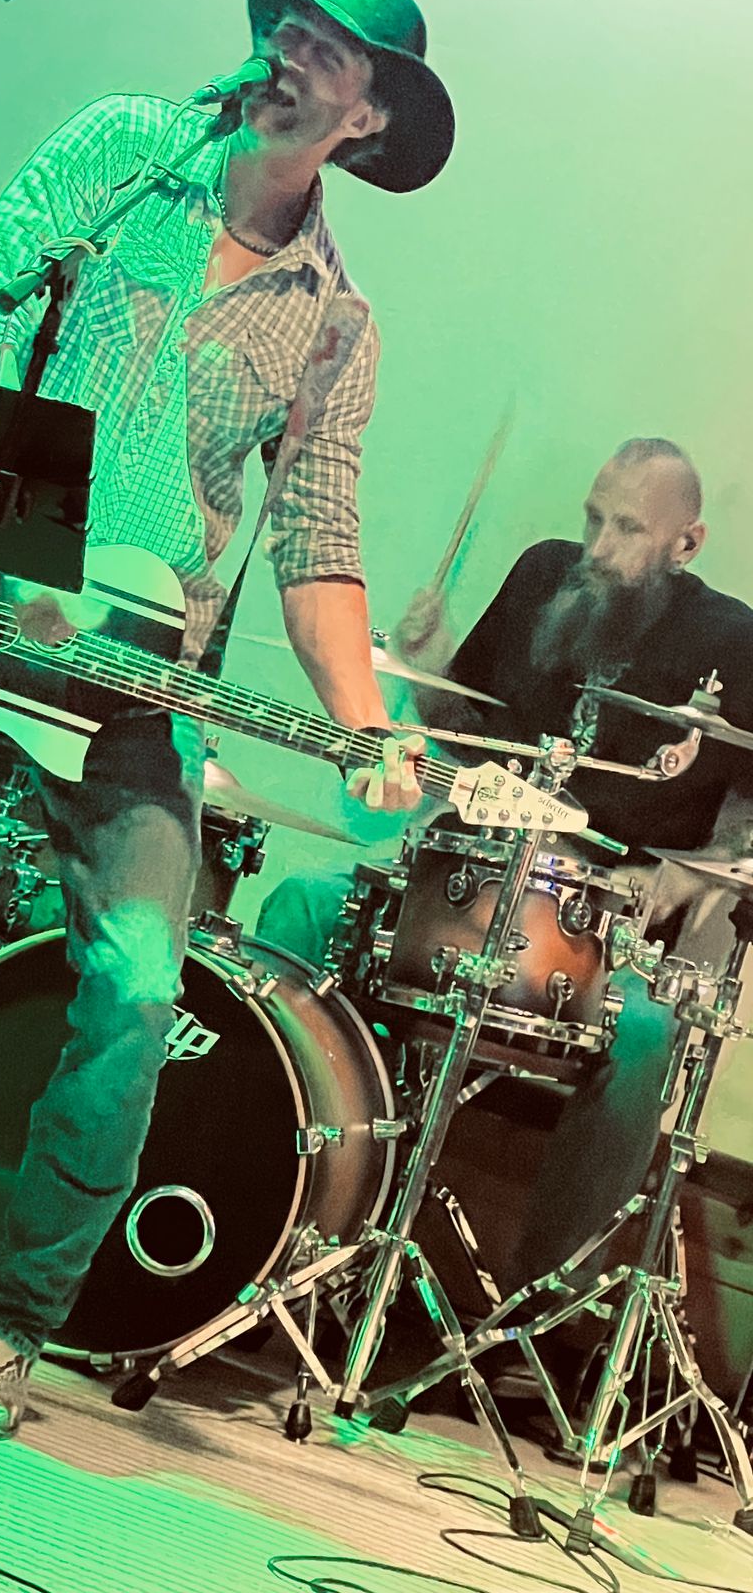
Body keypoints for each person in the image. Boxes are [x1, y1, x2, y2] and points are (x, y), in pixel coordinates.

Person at [0, 0, 455, 1439]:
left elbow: (318, 543)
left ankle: (12, 1320)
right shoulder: (122, 150)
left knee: (134, 990)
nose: (293, 48)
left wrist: (366, 723)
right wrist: (29, 544)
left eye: (334, 48)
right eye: (292, 21)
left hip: (139, 682)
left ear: (366, 120)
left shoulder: (337, 323)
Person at [258, 437, 753, 1368]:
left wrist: (682, 878)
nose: (598, 547)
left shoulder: (734, 640)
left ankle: (537, 1320)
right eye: (594, 517)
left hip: (592, 929)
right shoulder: (541, 575)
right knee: (300, 908)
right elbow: (468, 733)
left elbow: (746, 833)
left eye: (628, 529)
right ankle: (271, 1222)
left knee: (648, 1040)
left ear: (686, 543)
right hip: (460, 879)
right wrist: (423, 665)